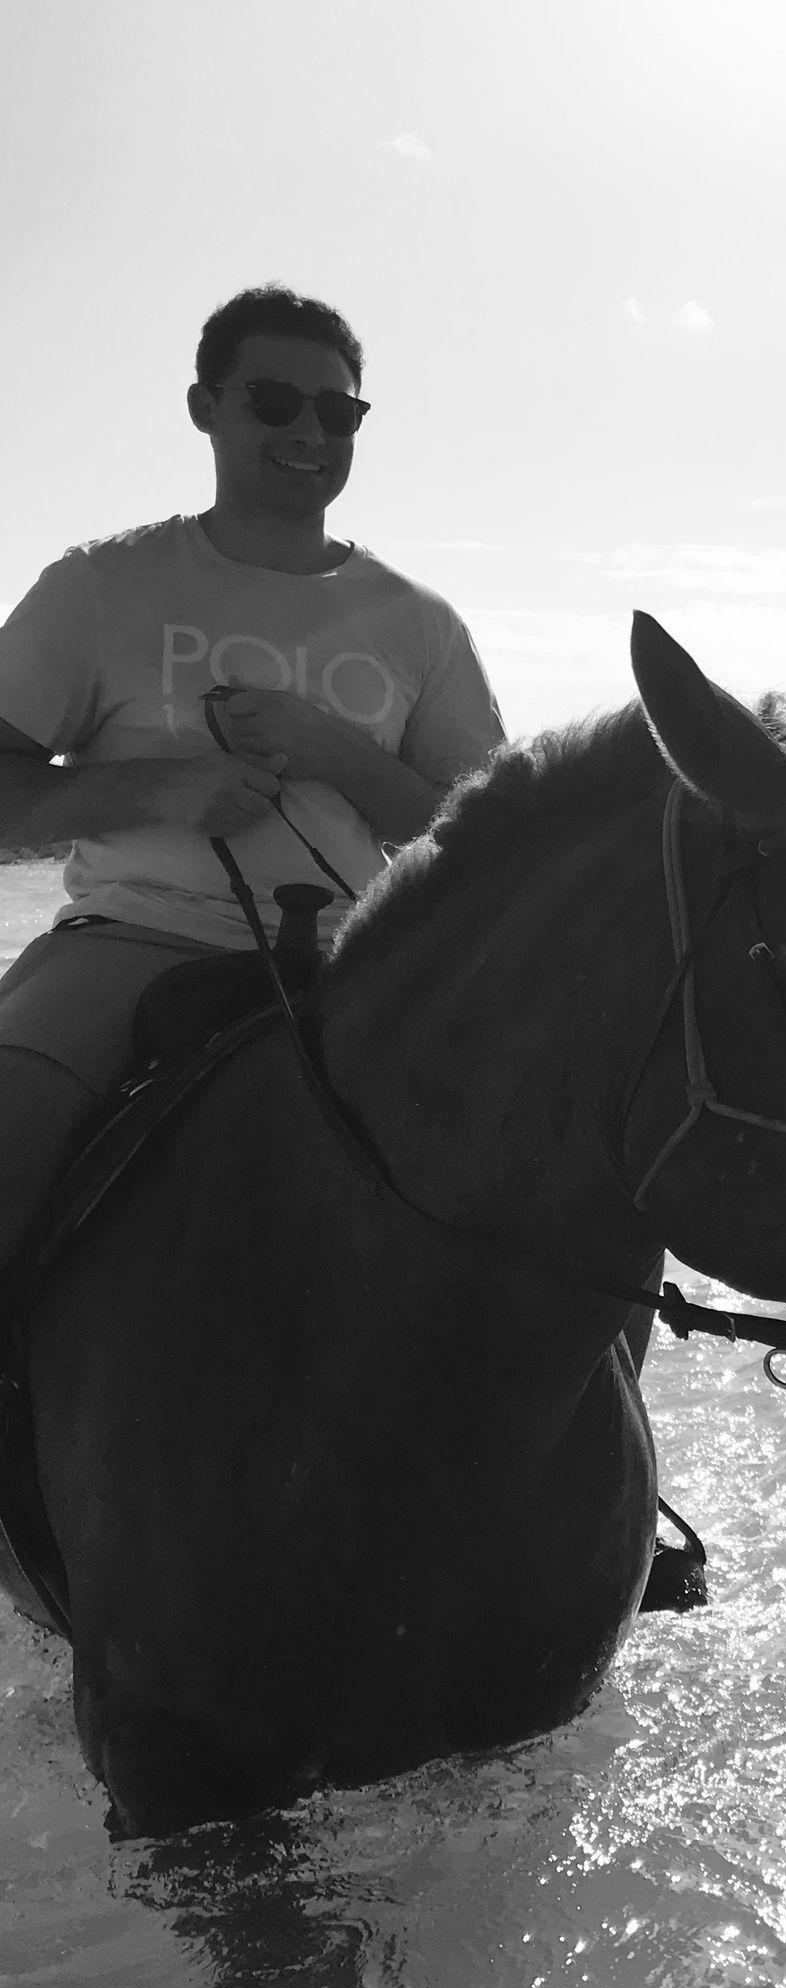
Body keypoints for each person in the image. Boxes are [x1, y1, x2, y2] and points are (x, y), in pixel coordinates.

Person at [0, 284, 505, 1272]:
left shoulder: (422, 623)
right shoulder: (99, 585)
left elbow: (483, 842)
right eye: (273, 400)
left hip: (366, 964)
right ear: (206, 406)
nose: (310, 429)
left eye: (338, 410)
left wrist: (344, 757)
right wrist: (157, 792)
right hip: (131, 942)